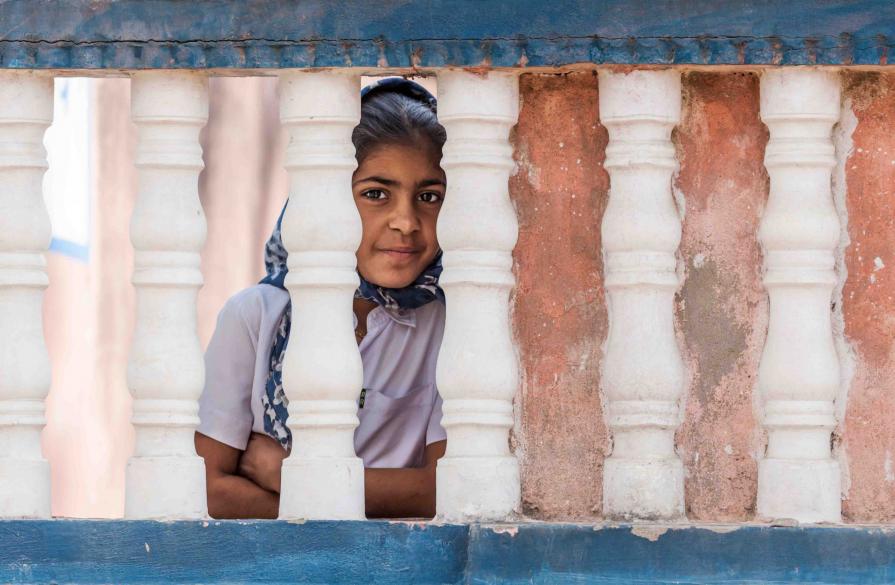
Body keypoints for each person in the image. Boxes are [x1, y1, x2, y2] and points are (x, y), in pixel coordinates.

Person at [194, 78, 448, 519]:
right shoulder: (255, 316)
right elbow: (208, 490)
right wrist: (372, 498)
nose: (406, 221)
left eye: (429, 197)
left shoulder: (449, 324)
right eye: (375, 194)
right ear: (323, 196)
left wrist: (290, 478)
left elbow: (443, 489)